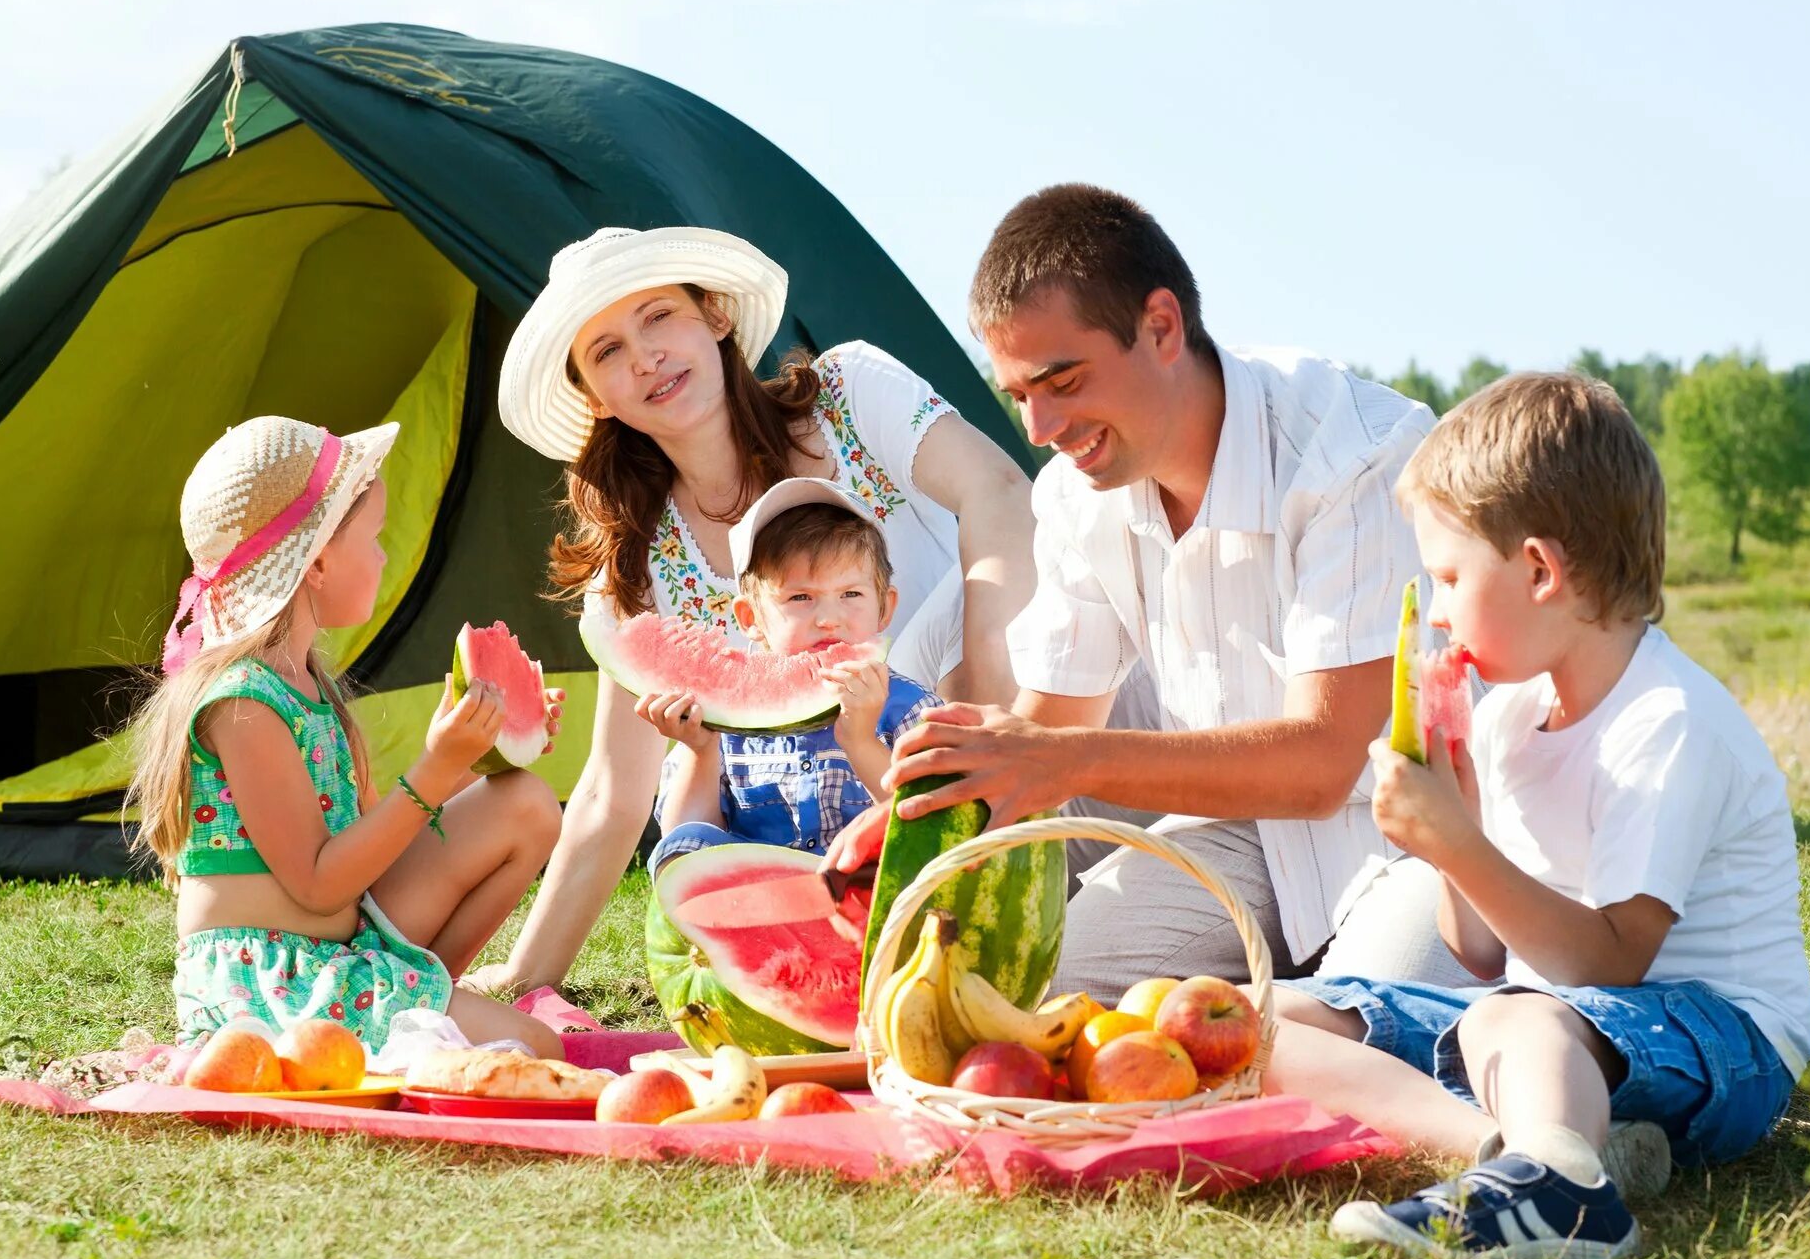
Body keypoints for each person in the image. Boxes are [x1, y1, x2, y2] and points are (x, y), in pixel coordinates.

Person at [1259, 374, 1810, 1259]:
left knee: (1512, 1022)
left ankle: (1566, 1189)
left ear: (1539, 571)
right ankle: (1531, 1153)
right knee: (1261, 1015)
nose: (1434, 611)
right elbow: (1483, 953)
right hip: (1547, 1019)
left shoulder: (1666, 721)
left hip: (1726, 1044)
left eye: (1446, 578)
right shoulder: (1514, 715)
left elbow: (1607, 963)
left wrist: (1459, 842)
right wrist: (1455, 841)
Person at [880, 184, 1466, 998]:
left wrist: (1051, 758)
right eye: (1020, 398)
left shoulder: (1356, 456)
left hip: (1407, 839)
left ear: (1161, 326)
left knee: (1363, 1038)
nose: (1041, 430)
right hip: (1240, 838)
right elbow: (1050, 731)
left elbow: (1327, 765)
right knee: (1039, 1005)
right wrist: (915, 831)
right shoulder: (1074, 496)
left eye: (1064, 381)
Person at [468, 226, 1035, 994]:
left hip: (1004, 727)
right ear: (597, 400)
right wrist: (530, 973)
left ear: (717, 318)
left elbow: (1000, 495)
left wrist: (987, 694)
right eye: (606, 352)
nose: (644, 356)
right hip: (823, 844)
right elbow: (612, 788)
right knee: (682, 761)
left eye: (660, 316)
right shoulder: (636, 561)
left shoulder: (849, 393)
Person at [123, 416, 565, 1056]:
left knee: (524, 804)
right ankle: (421, 1020)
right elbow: (320, 883)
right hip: (277, 981)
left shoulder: (305, 684)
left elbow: (361, 846)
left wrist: (474, 752)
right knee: (538, 1050)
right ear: (320, 562)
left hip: (342, 943)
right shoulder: (244, 704)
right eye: (376, 537)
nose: (385, 555)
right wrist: (436, 769)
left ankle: (423, 997)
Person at [639, 477, 941, 870]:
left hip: (865, 883)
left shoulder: (911, 710)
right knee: (681, 849)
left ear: (885, 607)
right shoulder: (722, 719)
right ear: (751, 618)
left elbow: (932, 823)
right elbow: (684, 838)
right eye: (800, 597)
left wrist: (861, 740)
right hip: (760, 893)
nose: (829, 619)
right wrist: (701, 750)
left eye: (851, 594)